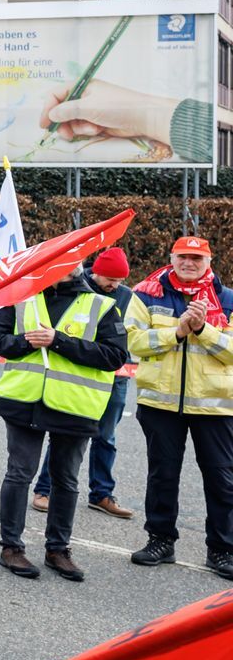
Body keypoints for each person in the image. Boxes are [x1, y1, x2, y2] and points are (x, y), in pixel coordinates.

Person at [0, 259, 126, 583]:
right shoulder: (22, 298)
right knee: (19, 474)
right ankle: (11, 548)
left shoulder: (100, 306)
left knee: (65, 479)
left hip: (74, 406)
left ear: (76, 269)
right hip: (24, 401)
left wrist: (58, 340)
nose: (57, 269)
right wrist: (25, 343)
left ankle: (58, 550)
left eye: (63, 264)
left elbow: (114, 356)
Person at [124, 236, 233, 578]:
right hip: (160, 403)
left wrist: (202, 329)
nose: (189, 263)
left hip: (214, 407)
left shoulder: (227, 299)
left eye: (196, 258)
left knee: (221, 480)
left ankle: (222, 549)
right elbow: (135, 343)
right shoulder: (146, 294)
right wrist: (178, 333)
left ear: (208, 261)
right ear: (172, 257)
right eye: (183, 256)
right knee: (162, 475)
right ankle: (160, 540)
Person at [35, 247, 136, 519]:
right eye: (109, 279)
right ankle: (44, 489)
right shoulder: (75, 288)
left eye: (119, 281)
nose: (114, 285)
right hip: (75, 375)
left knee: (106, 437)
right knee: (63, 433)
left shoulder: (126, 296)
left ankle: (101, 494)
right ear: (96, 271)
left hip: (115, 377)